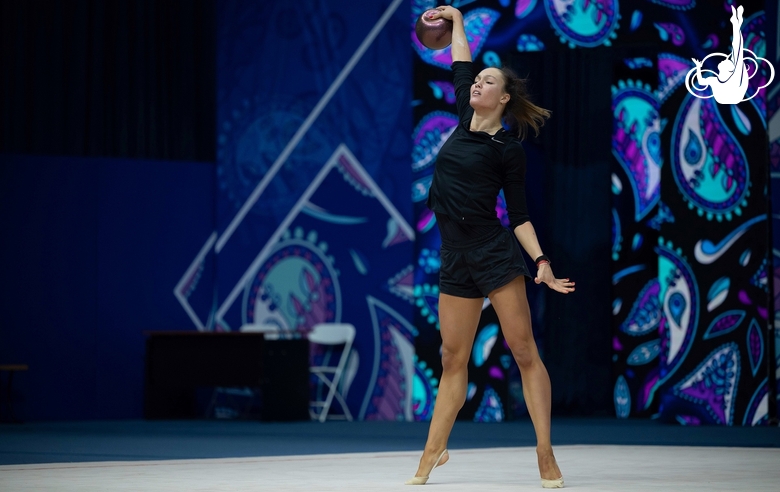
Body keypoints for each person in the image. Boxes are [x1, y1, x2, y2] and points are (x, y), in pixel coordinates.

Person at [406, 5, 574, 489]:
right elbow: (460, 58)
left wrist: (541, 261)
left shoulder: (508, 149)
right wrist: (457, 19)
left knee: (523, 351)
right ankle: (431, 454)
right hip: (455, 255)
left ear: (504, 98)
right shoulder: (464, 116)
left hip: (493, 254)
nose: (477, 83)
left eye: (488, 82)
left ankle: (544, 451)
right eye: (476, 80)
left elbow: (518, 216)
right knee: (451, 358)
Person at [691, 5, 748, 104]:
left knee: (737, 52)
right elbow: (701, 81)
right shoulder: (717, 81)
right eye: (727, 61)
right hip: (729, 96)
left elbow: (737, 48)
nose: (725, 60)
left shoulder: (730, 78)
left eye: (727, 61)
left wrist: (736, 25)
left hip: (733, 95)